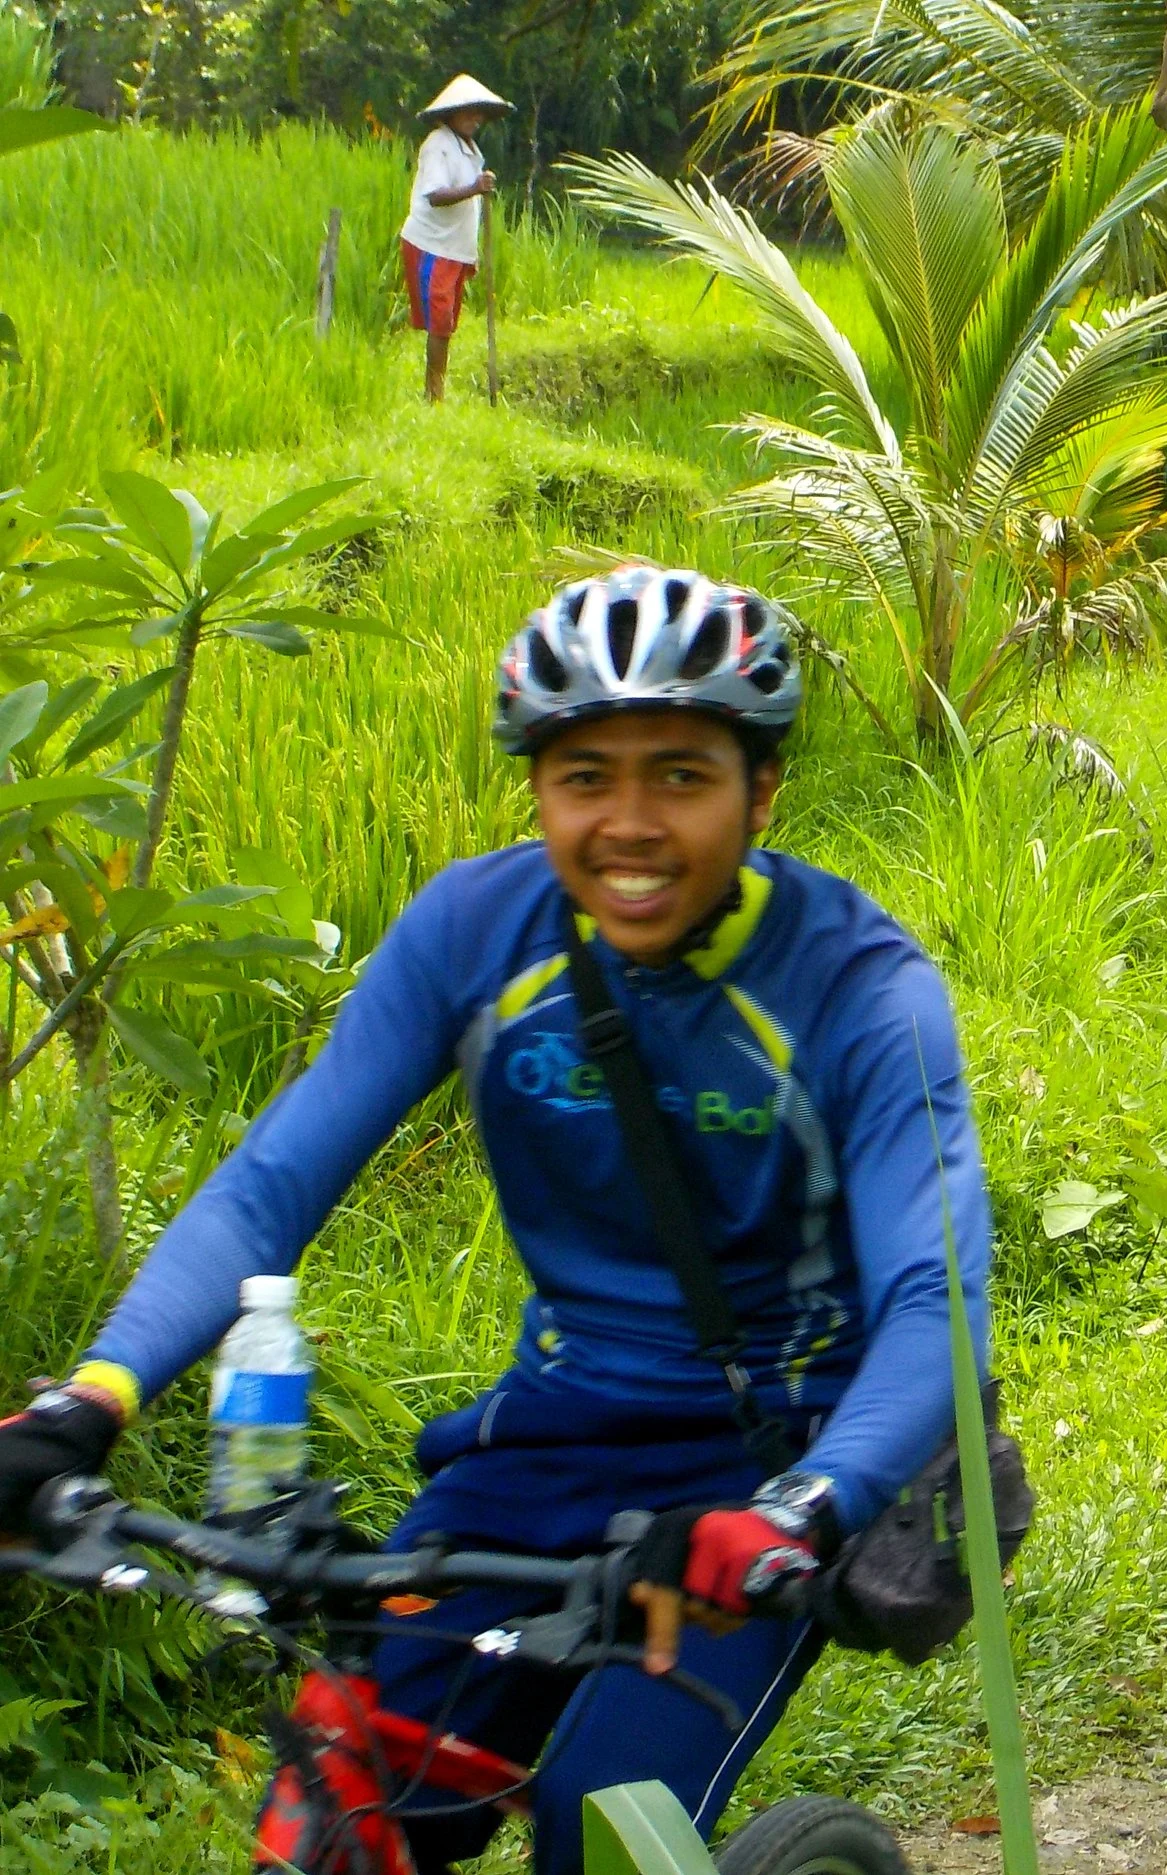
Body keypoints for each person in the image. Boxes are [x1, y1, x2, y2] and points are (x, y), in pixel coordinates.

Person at [0, 567, 990, 1873]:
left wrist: (806, 1505)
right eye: (585, 776)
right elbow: (269, 1185)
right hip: (545, 1445)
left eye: (681, 776)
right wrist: (87, 1403)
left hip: (771, 1468)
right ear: (537, 786)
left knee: (602, 1822)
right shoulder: (473, 931)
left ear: (763, 788)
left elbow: (939, 1298)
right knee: (345, 1786)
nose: (629, 824)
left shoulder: (863, 988)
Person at [401, 75, 510, 404]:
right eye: (468, 113)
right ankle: (433, 395)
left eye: (478, 113)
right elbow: (435, 195)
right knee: (440, 321)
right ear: (450, 114)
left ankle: (436, 391)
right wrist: (475, 188)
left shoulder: (470, 150)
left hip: (456, 248)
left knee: (446, 322)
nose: (475, 119)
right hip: (432, 244)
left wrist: (480, 185)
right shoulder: (438, 144)